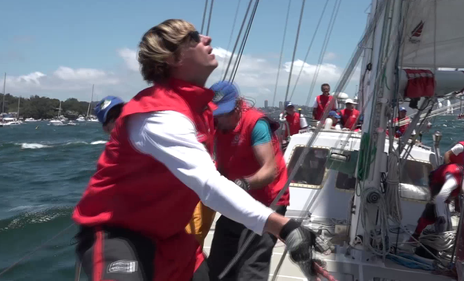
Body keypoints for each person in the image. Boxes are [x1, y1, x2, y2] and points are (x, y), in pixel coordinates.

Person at [72, 19, 322, 281]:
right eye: (193, 38)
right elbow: (207, 182)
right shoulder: (159, 116)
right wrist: (284, 228)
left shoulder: (198, 109)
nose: (207, 39)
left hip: (171, 235)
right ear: (174, 58)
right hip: (119, 234)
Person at [208, 81, 291, 281]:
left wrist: (242, 184)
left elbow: (269, 170)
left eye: (225, 114)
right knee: (219, 262)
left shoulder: (256, 124)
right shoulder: (216, 124)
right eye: (216, 114)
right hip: (237, 200)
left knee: (251, 267)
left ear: (238, 106)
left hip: (266, 201)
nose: (220, 119)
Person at [408, 163, 463, 245]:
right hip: (437, 179)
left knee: (453, 202)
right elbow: (440, 198)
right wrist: (441, 215)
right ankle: (415, 235)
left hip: (452, 178)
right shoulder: (453, 182)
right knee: (432, 209)